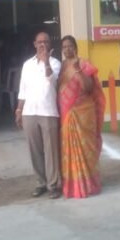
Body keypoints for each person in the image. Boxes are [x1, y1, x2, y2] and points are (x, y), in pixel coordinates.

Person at [15, 32, 62, 199]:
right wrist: (19, 109)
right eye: (39, 42)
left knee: (51, 151)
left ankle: (53, 185)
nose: (42, 44)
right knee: (35, 150)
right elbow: (23, 89)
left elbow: (52, 80)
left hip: (48, 112)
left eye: (45, 42)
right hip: (29, 112)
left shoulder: (56, 63)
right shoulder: (27, 65)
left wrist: (46, 62)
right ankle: (41, 182)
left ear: (50, 44)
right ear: (34, 44)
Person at [58, 36, 105, 199]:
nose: (67, 49)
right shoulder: (61, 67)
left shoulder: (84, 64)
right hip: (66, 115)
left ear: (76, 48)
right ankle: (73, 186)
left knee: (85, 150)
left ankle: (88, 185)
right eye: (64, 47)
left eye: (70, 46)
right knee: (68, 151)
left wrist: (78, 70)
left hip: (83, 114)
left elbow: (89, 87)